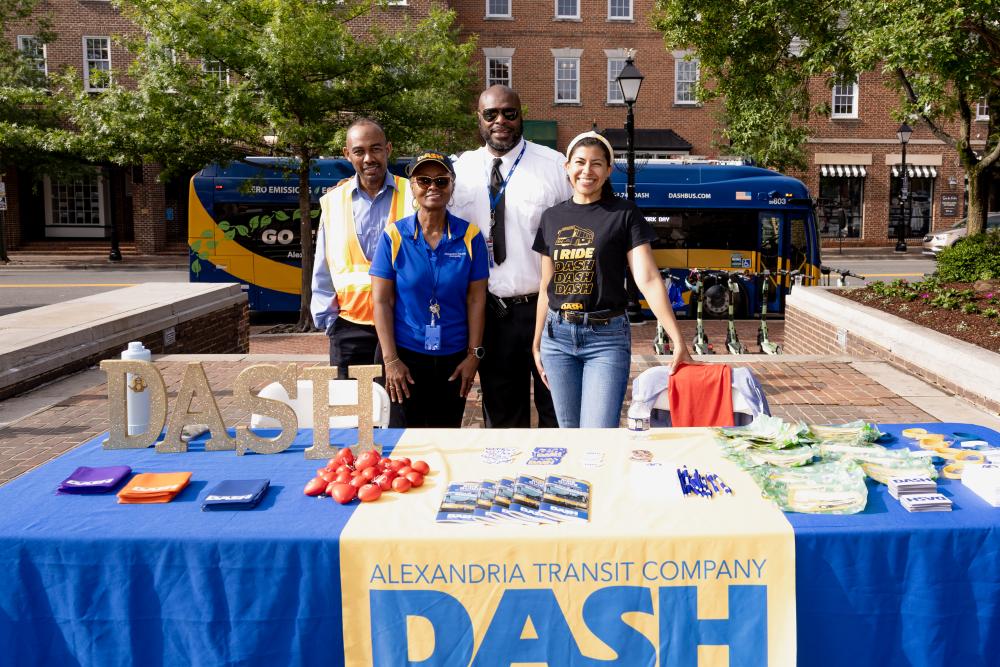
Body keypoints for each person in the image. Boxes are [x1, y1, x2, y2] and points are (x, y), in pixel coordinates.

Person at [531, 131, 695, 428]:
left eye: (596, 164)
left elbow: (647, 278)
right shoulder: (551, 217)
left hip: (605, 339)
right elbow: (546, 286)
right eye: (579, 162)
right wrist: (537, 344)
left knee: (597, 436)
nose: (587, 170)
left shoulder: (624, 213)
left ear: (608, 170)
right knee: (568, 433)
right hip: (557, 337)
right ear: (567, 166)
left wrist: (677, 339)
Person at [450, 85, 573, 428]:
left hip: (548, 311)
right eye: (491, 114)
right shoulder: (460, 171)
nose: (500, 121)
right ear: (479, 119)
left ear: (522, 116)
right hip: (492, 315)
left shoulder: (553, 167)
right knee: (503, 418)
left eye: (509, 113)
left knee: (558, 412)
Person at [369, 152, 488, 427]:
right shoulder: (394, 236)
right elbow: (382, 302)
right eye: (424, 180)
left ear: (452, 186)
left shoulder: (470, 237)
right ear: (412, 186)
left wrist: (473, 356)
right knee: (400, 442)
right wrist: (391, 360)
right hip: (404, 356)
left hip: (453, 359)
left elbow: (476, 299)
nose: (432, 187)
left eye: (441, 181)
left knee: (444, 438)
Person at [311, 118, 411, 378]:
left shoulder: (414, 195)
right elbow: (322, 267)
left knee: (396, 413)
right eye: (359, 151)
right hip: (349, 330)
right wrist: (330, 323)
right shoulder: (333, 202)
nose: (369, 158)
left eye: (376, 149)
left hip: (403, 327)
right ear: (347, 154)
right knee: (351, 413)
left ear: (388, 149)